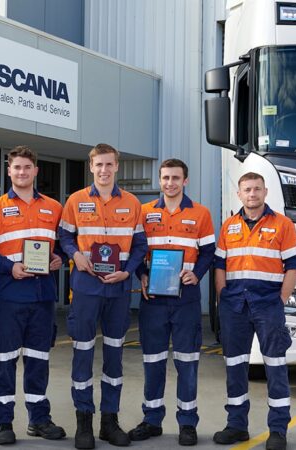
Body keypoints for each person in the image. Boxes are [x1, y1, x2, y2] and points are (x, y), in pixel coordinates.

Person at [0, 146, 66, 445]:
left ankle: (39, 420)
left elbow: (65, 242)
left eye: (27, 167)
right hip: (9, 296)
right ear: (9, 171)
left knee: (39, 359)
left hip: (42, 297)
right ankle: (3, 423)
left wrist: (60, 257)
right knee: (5, 360)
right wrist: (8, 267)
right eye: (17, 167)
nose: (22, 172)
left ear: (36, 171)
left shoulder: (54, 207)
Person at [59, 143, 148, 449]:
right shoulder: (76, 200)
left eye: (109, 164)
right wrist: (75, 255)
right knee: (82, 354)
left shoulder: (132, 203)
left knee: (114, 357)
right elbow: (64, 236)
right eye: (99, 164)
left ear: (117, 167)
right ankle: (83, 422)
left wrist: (129, 271)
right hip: (86, 288)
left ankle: (109, 422)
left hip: (118, 289)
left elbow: (140, 245)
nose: (104, 170)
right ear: (91, 166)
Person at [127, 159, 215, 446]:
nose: (170, 183)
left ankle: (187, 423)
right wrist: (141, 274)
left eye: (176, 178)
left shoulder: (201, 213)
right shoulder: (144, 212)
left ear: (185, 181)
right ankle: (152, 420)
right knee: (153, 360)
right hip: (152, 299)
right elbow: (136, 250)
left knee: (187, 362)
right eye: (165, 177)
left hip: (185, 299)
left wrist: (196, 274)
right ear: (159, 180)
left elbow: (209, 252)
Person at [212, 172, 296, 450]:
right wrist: (223, 296)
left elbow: (293, 267)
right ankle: (237, 425)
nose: (252, 194)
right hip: (234, 307)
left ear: (265, 192)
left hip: (268, 306)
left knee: (275, 366)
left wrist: (280, 300)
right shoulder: (229, 226)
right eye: (247, 189)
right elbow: (220, 265)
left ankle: (278, 430)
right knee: (235, 366)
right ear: (239, 194)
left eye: (257, 189)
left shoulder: (283, 224)